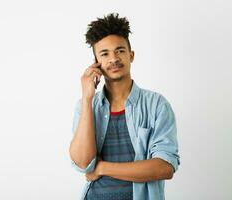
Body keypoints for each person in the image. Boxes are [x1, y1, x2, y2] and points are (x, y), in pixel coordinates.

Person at [69, 13, 180, 200]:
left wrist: (102, 167)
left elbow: (164, 167)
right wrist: (87, 99)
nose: (113, 59)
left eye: (119, 50)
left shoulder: (157, 105)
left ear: (131, 55)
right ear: (96, 63)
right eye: (104, 54)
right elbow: (82, 162)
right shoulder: (85, 106)